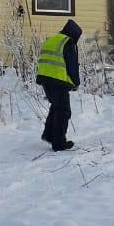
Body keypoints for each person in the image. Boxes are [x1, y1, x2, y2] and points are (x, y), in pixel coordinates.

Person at [37, 19, 82, 151]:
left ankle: (49, 135)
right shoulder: (68, 43)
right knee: (63, 111)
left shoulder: (53, 39)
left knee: (56, 106)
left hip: (45, 77)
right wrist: (76, 82)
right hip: (57, 80)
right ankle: (59, 143)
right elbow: (72, 65)